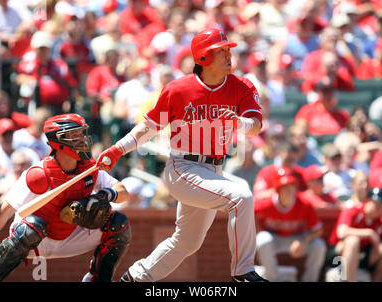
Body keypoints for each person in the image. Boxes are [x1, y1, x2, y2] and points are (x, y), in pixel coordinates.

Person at [97, 28, 267, 282]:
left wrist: (240, 124)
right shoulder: (178, 90)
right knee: (240, 196)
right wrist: (117, 149)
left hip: (214, 171)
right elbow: (148, 127)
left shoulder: (241, 86)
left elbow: (256, 124)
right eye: (221, 51)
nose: (229, 55)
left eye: (228, 50)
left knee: (186, 242)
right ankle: (243, 272)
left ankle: (135, 278)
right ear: (203, 58)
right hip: (183, 168)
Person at [0, 113, 132, 282]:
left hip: (70, 235)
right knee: (31, 228)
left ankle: (97, 279)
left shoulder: (89, 168)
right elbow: (4, 211)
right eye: (74, 135)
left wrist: (104, 195)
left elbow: (123, 192)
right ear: (58, 141)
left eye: (81, 134)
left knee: (119, 224)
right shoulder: (38, 174)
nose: (82, 139)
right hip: (35, 239)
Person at [254, 167, 327, 282]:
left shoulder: (304, 203)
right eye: (285, 186)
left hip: (297, 238)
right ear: (278, 189)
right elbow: (250, 215)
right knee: (262, 240)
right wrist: (257, 233)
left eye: (292, 185)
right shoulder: (266, 203)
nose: (289, 190)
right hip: (274, 239)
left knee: (319, 245)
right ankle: (273, 279)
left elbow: (318, 230)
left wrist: (303, 241)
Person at [326, 187, 382, 282]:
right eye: (377, 204)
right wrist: (369, 233)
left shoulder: (380, 221)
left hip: (361, 257)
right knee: (352, 241)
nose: (380, 208)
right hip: (338, 256)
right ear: (368, 201)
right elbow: (341, 233)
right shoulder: (353, 210)